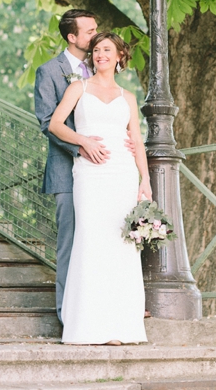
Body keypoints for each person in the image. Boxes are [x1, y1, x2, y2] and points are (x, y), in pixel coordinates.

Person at [48, 32, 152, 345]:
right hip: (91, 173)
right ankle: (88, 327)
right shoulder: (78, 87)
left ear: (120, 55)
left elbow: (136, 141)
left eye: (107, 50)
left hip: (122, 173)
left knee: (121, 246)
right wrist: (84, 141)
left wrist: (144, 181)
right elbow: (55, 124)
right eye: (96, 50)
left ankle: (120, 327)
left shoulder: (128, 97)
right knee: (91, 241)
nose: (99, 54)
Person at [34, 9, 108, 323]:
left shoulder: (102, 67)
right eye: (89, 32)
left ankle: (104, 310)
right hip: (67, 169)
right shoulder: (49, 71)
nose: (95, 36)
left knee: (103, 241)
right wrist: (82, 146)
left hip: (105, 170)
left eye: (96, 29)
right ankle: (67, 316)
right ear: (72, 37)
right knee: (69, 244)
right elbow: (46, 121)